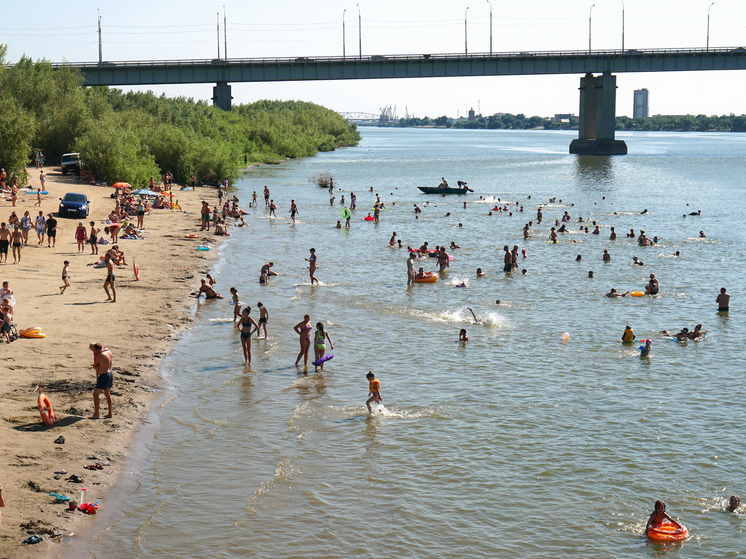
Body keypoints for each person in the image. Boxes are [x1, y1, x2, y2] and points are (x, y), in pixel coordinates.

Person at [89, 343, 114, 419]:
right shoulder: (109, 352)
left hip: (104, 376)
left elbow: (94, 366)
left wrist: (95, 359)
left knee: (95, 394)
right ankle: (110, 413)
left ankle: (96, 414)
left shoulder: (100, 356)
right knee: (107, 393)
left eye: (94, 351)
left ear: (98, 349)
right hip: (110, 374)